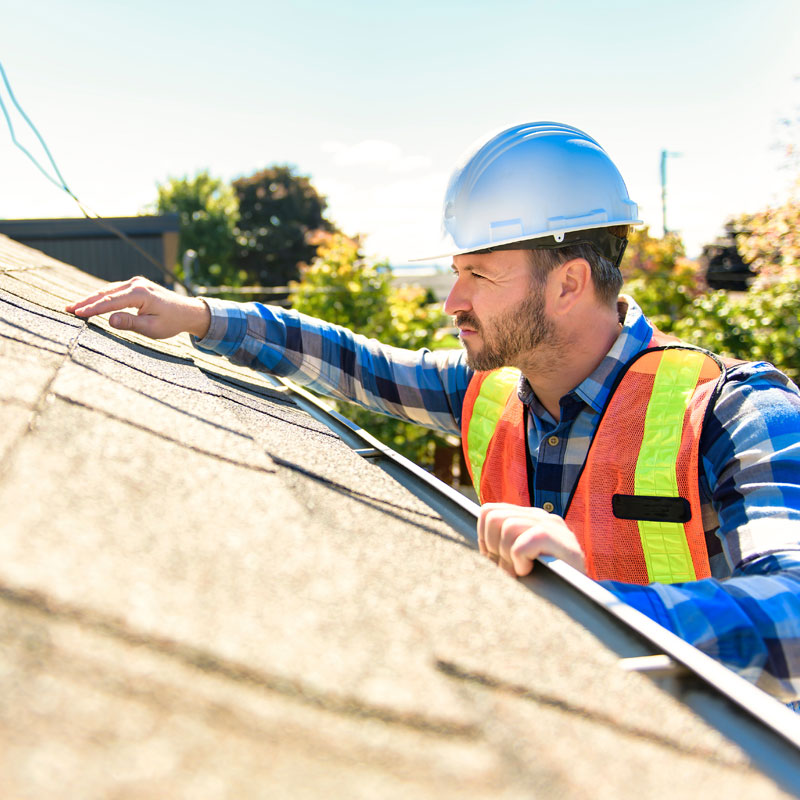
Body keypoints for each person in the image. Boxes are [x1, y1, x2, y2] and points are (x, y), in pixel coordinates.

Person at [66, 122, 800, 704]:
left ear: (570, 283)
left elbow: (793, 613)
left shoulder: (736, 410)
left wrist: (599, 607)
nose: (452, 303)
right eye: (456, 273)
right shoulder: (492, 395)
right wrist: (199, 316)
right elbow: (362, 363)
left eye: (477, 274)